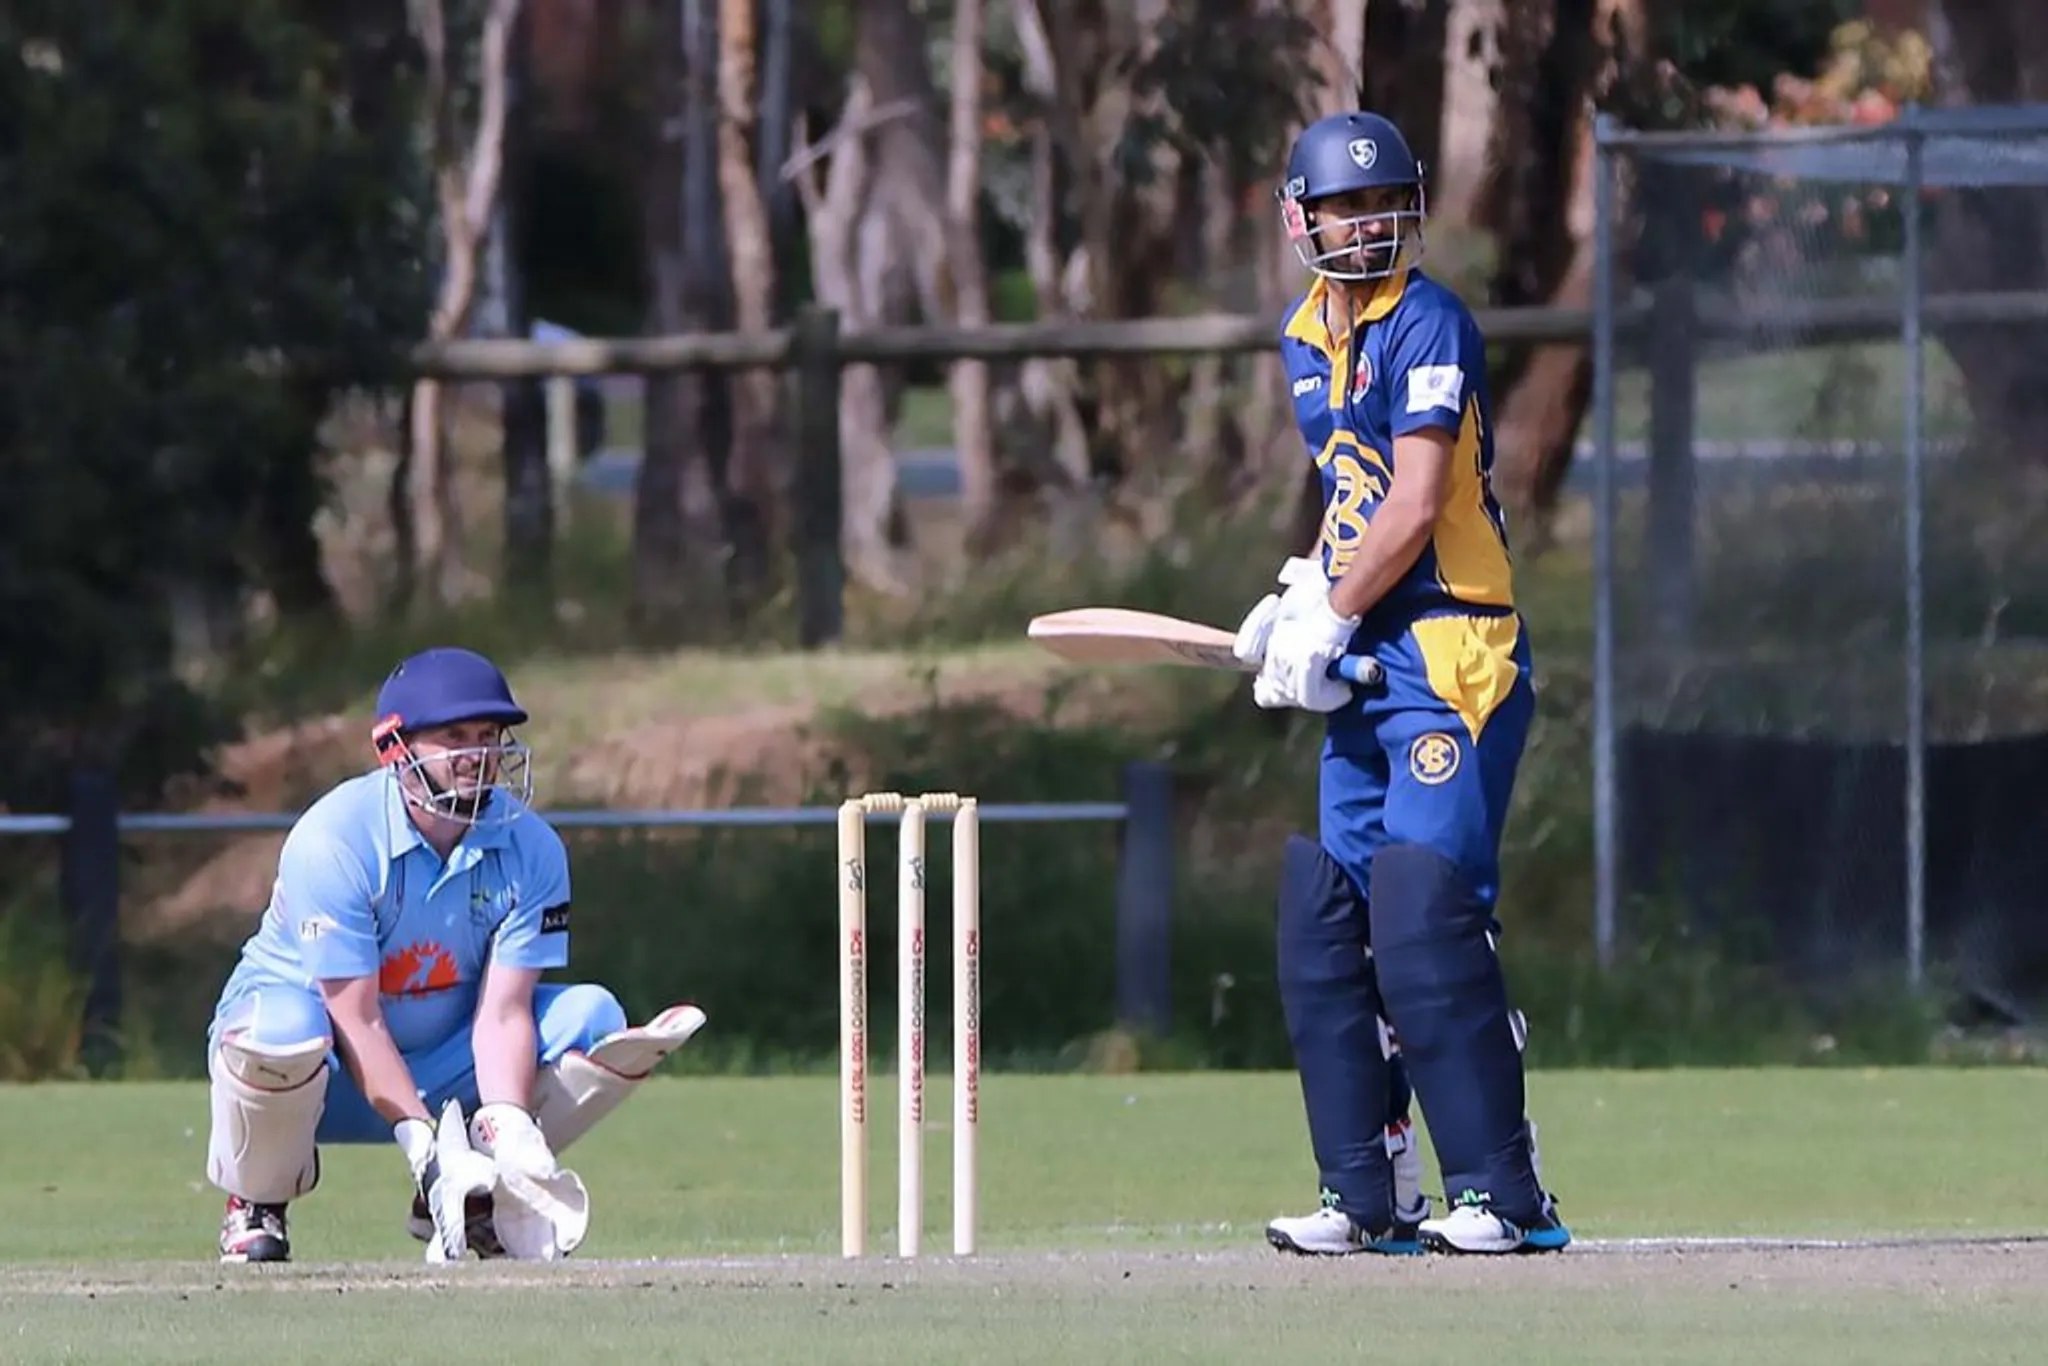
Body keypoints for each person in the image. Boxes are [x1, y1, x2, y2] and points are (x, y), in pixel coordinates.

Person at [1233, 110, 1569, 1256]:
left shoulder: (1428, 321)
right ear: (1299, 219)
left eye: (1382, 205)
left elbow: (1417, 500)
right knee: (1328, 919)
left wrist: (1330, 611)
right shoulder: (1301, 335)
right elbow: (1354, 491)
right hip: (1370, 653)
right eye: (1342, 208)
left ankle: (1504, 1196)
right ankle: (1363, 1196)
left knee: (1422, 916)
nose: (1366, 226)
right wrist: (1301, 599)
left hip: (1453, 653)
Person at [203, 646, 707, 1263]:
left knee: (594, 1018)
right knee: (283, 1029)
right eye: (455, 737)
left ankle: (478, 1199)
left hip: (442, 1059)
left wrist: (512, 1127)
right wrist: (426, 1150)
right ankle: (258, 1201)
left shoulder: (532, 848)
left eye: (489, 736)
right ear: (396, 748)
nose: (480, 755)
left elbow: (503, 1014)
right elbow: (354, 1017)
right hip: (318, 1069)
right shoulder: (333, 839)